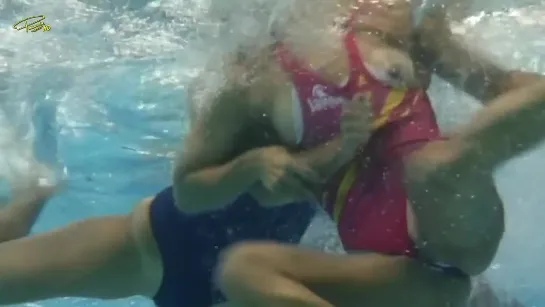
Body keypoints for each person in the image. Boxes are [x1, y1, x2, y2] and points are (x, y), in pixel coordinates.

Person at [0, 2, 541, 307]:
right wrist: (21, 25)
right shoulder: (243, 60)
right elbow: (81, 18)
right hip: (161, 251)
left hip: (289, 278)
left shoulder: (383, 38)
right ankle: (29, 196)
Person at [212, 2, 545, 307]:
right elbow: (258, 189)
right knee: (241, 269)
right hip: (389, 271)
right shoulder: (257, 69)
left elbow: (501, 87)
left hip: (441, 221)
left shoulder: (397, 21)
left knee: (436, 167)